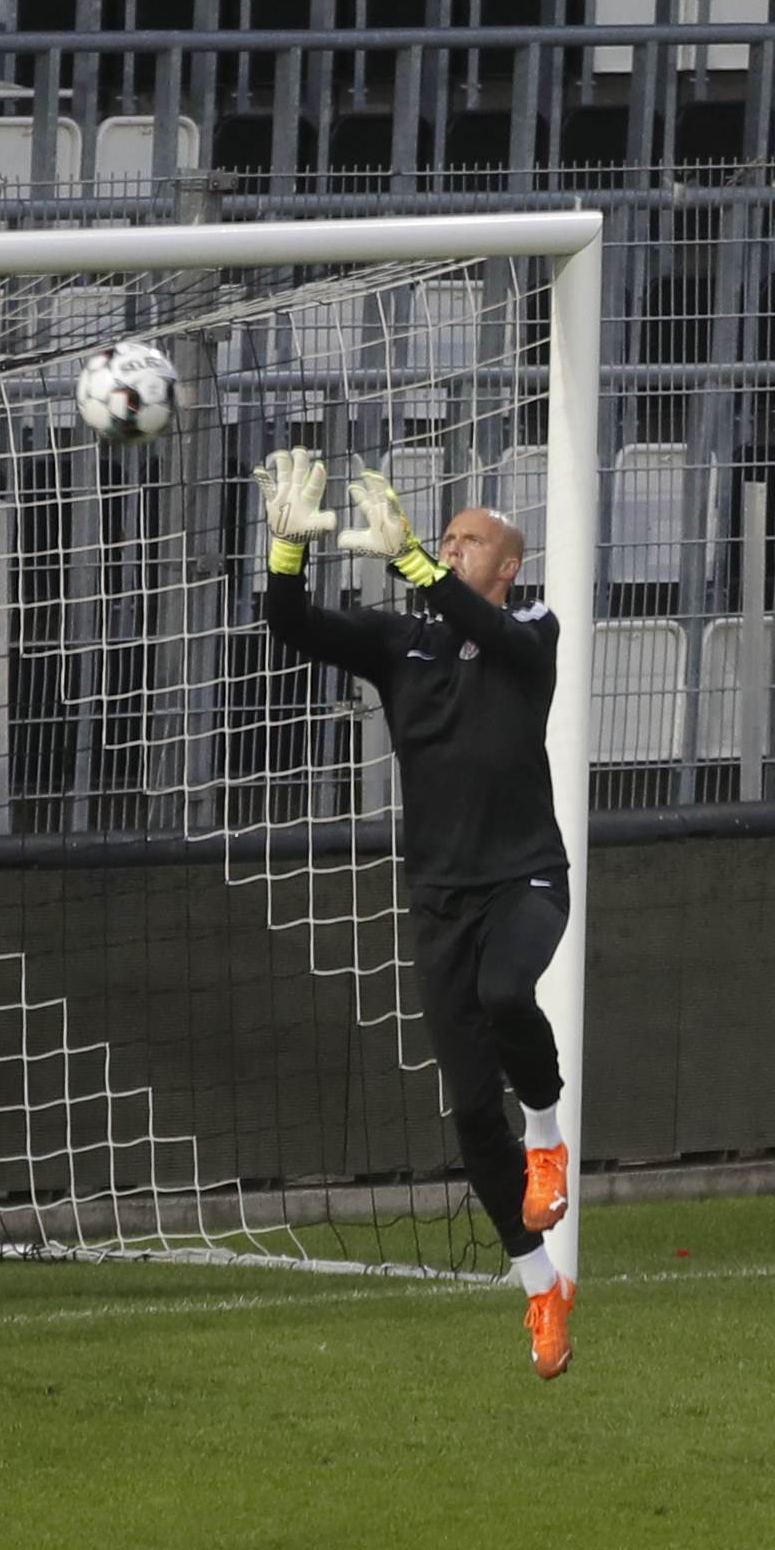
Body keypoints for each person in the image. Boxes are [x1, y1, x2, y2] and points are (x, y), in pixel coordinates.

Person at [257, 446, 575, 1380]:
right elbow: (292, 625)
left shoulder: (534, 626)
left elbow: (499, 637)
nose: (449, 543)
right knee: (474, 1111)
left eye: (467, 539)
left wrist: (422, 570)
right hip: (438, 899)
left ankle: (549, 1142)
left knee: (510, 989)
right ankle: (541, 1290)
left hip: (525, 877)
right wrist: (285, 551)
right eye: (445, 536)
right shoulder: (404, 640)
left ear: (505, 565)